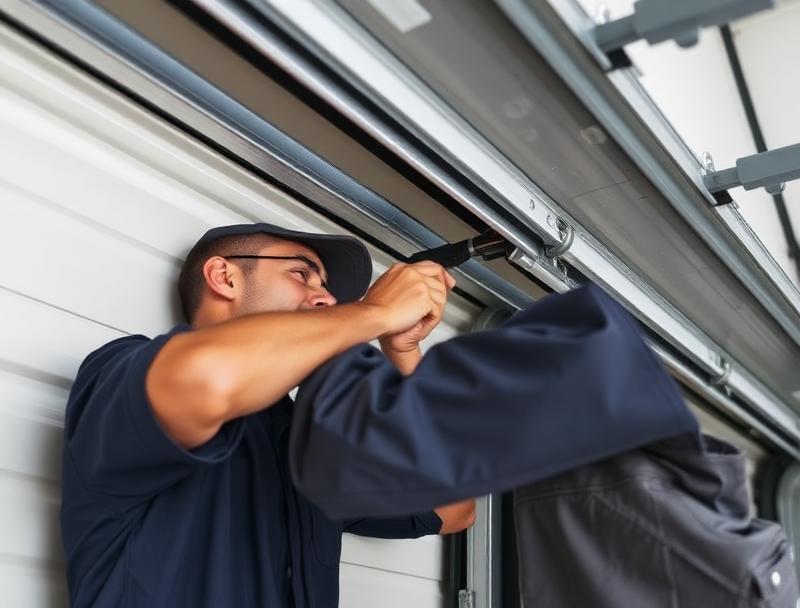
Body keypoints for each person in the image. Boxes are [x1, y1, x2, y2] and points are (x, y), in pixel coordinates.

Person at [60, 223, 476, 608]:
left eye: (327, 289)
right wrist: (375, 313)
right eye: (301, 274)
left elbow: (454, 506)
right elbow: (208, 378)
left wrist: (403, 354)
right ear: (224, 277)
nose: (326, 298)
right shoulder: (121, 372)